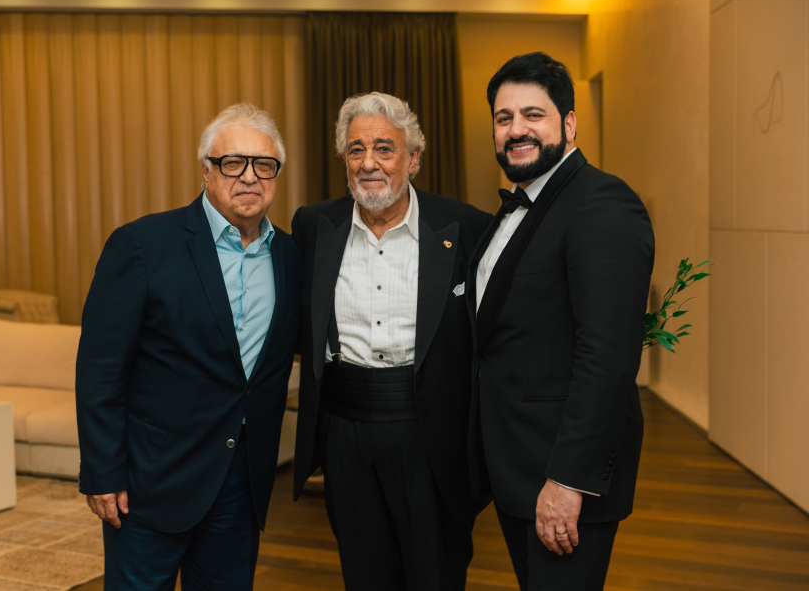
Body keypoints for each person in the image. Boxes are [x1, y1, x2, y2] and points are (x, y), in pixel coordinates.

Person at [75, 103, 301, 590]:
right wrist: (102, 472)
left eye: (264, 165)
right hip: (151, 481)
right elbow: (100, 370)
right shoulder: (142, 245)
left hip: (242, 481)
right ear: (205, 170)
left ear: (276, 175)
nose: (249, 177)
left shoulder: (289, 255)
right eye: (232, 163)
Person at [290, 92, 493, 591]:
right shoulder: (314, 226)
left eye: (384, 148)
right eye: (356, 150)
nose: (369, 163)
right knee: (364, 571)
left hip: (430, 428)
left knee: (434, 570)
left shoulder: (466, 226)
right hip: (344, 425)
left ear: (413, 157)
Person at [468, 52, 655, 590]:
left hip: (562, 480)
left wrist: (568, 481)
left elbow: (608, 358)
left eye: (534, 114)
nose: (516, 130)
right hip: (517, 469)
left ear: (569, 124)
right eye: (504, 118)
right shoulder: (520, 206)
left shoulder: (602, 204)